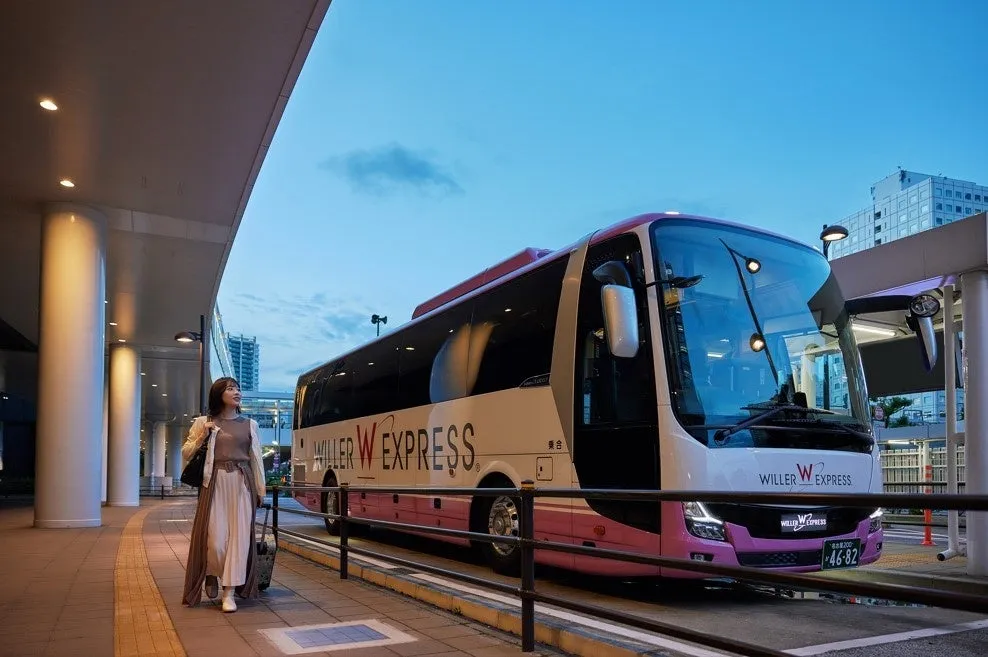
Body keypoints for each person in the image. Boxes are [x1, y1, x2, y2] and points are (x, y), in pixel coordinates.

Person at [180, 377, 266, 612]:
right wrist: (203, 436)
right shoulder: (204, 422)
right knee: (216, 541)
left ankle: (229, 592)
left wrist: (260, 490)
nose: (237, 392)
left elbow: (257, 459)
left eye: (238, 388)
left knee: (239, 540)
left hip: (242, 482)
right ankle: (211, 571)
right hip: (215, 482)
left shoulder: (250, 424)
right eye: (230, 388)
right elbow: (186, 452)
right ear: (219, 394)